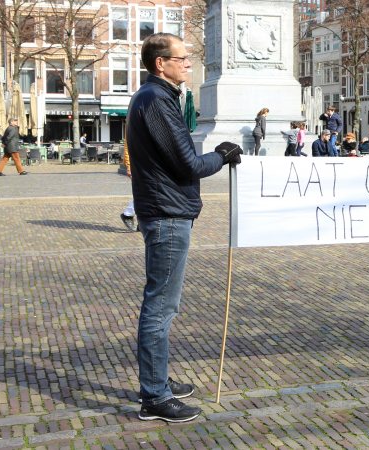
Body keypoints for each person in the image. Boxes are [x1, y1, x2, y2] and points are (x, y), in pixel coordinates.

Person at [127, 32, 242, 423]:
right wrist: (223, 155)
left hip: (165, 210)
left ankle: (157, 382)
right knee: (160, 308)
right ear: (161, 63)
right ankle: (155, 397)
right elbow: (189, 164)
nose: (189, 63)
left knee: (161, 306)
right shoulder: (156, 100)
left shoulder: (156, 98)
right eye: (183, 58)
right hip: (167, 215)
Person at [120, 138, 137, 231]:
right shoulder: (133, 124)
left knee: (144, 193)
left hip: (146, 166)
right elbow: (127, 146)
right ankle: (128, 214)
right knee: (142, 193)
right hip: (137, 166)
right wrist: (129, 166)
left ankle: (141, 221)